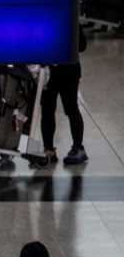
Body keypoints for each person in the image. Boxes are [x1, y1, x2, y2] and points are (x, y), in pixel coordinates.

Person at [41, 28, 88, 166]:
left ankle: (52, 149)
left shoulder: (65, 14)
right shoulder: (68, 12)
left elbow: (82, 46)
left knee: (57, 109)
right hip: (60, 70)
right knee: (61, 109)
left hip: (60, 70)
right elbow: (82, 46)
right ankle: (53, 149)